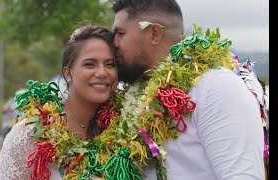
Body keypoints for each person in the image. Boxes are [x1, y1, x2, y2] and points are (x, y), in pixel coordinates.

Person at [111, 0, 265, 179]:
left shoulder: (214, 86)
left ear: (154, 34)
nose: (113, 43)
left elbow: (242, 175)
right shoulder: (133, 95)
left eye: (120, 33)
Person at [0, 25, 118, 179]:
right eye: (89, 64)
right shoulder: (30, 135)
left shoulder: (125, 132)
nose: (102, 72)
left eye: (110, 64)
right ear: (67, 73)